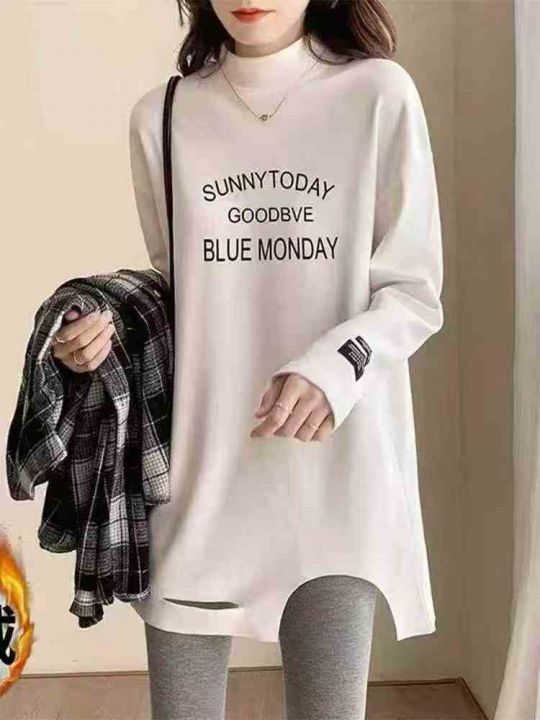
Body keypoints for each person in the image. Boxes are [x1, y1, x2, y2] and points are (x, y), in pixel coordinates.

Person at [51, 1, 444, 718]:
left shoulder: (378, 96)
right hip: (200, 478)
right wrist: (99, 339)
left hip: (334, 482)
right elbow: (174, 298)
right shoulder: (162, 117)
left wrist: (334, 368)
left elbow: (413, 291)